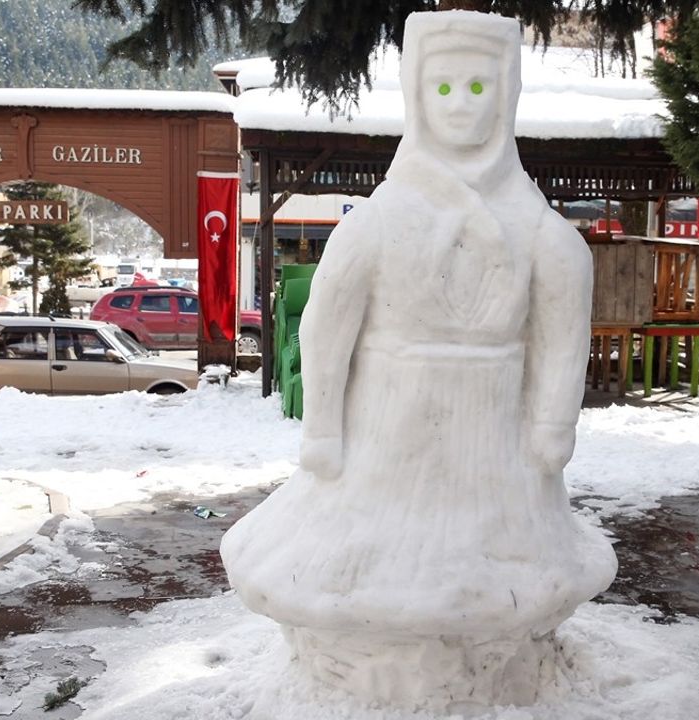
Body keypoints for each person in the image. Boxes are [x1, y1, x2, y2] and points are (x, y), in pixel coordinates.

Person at [221, 10, 616, 708]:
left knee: (499, 566)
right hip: (389, 436)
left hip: (494, 443)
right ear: (415, 96)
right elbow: (326, 329)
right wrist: (323, 429)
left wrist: (554, 424)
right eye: (441, 89)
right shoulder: (375, 223)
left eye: (477, 87)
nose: (460, 105)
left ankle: (497, 664)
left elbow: (562, 335)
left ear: (506, 95)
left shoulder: (542, 234)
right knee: (372, 563)